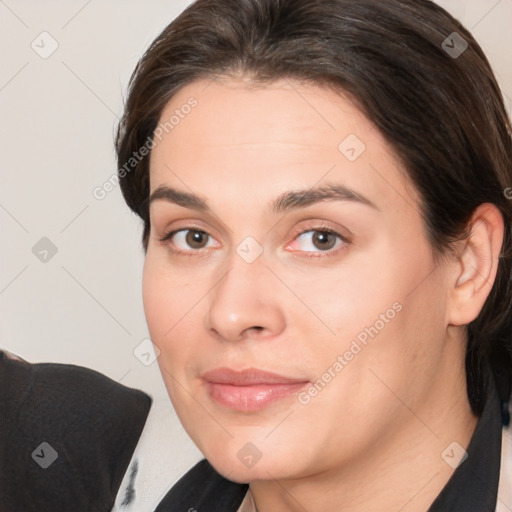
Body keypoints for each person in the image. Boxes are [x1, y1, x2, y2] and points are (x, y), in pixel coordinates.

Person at [113, 0, 512, 510]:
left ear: (468, 265)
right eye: (193, 236)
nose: (232, 313)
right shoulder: (100, 476)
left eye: (320, 238)